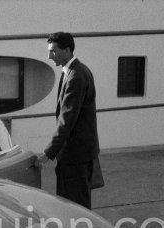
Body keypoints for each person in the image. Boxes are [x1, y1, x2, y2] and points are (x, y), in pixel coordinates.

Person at [35, 32, 100, 209]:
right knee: (72, 203)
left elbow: (67, 120)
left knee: (75, 205)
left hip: (75, 156)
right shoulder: (73, 71)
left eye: (53, 51)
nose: (49, 56)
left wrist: (48, 153)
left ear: (67, 50)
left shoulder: (76, 76)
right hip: (76, 154)